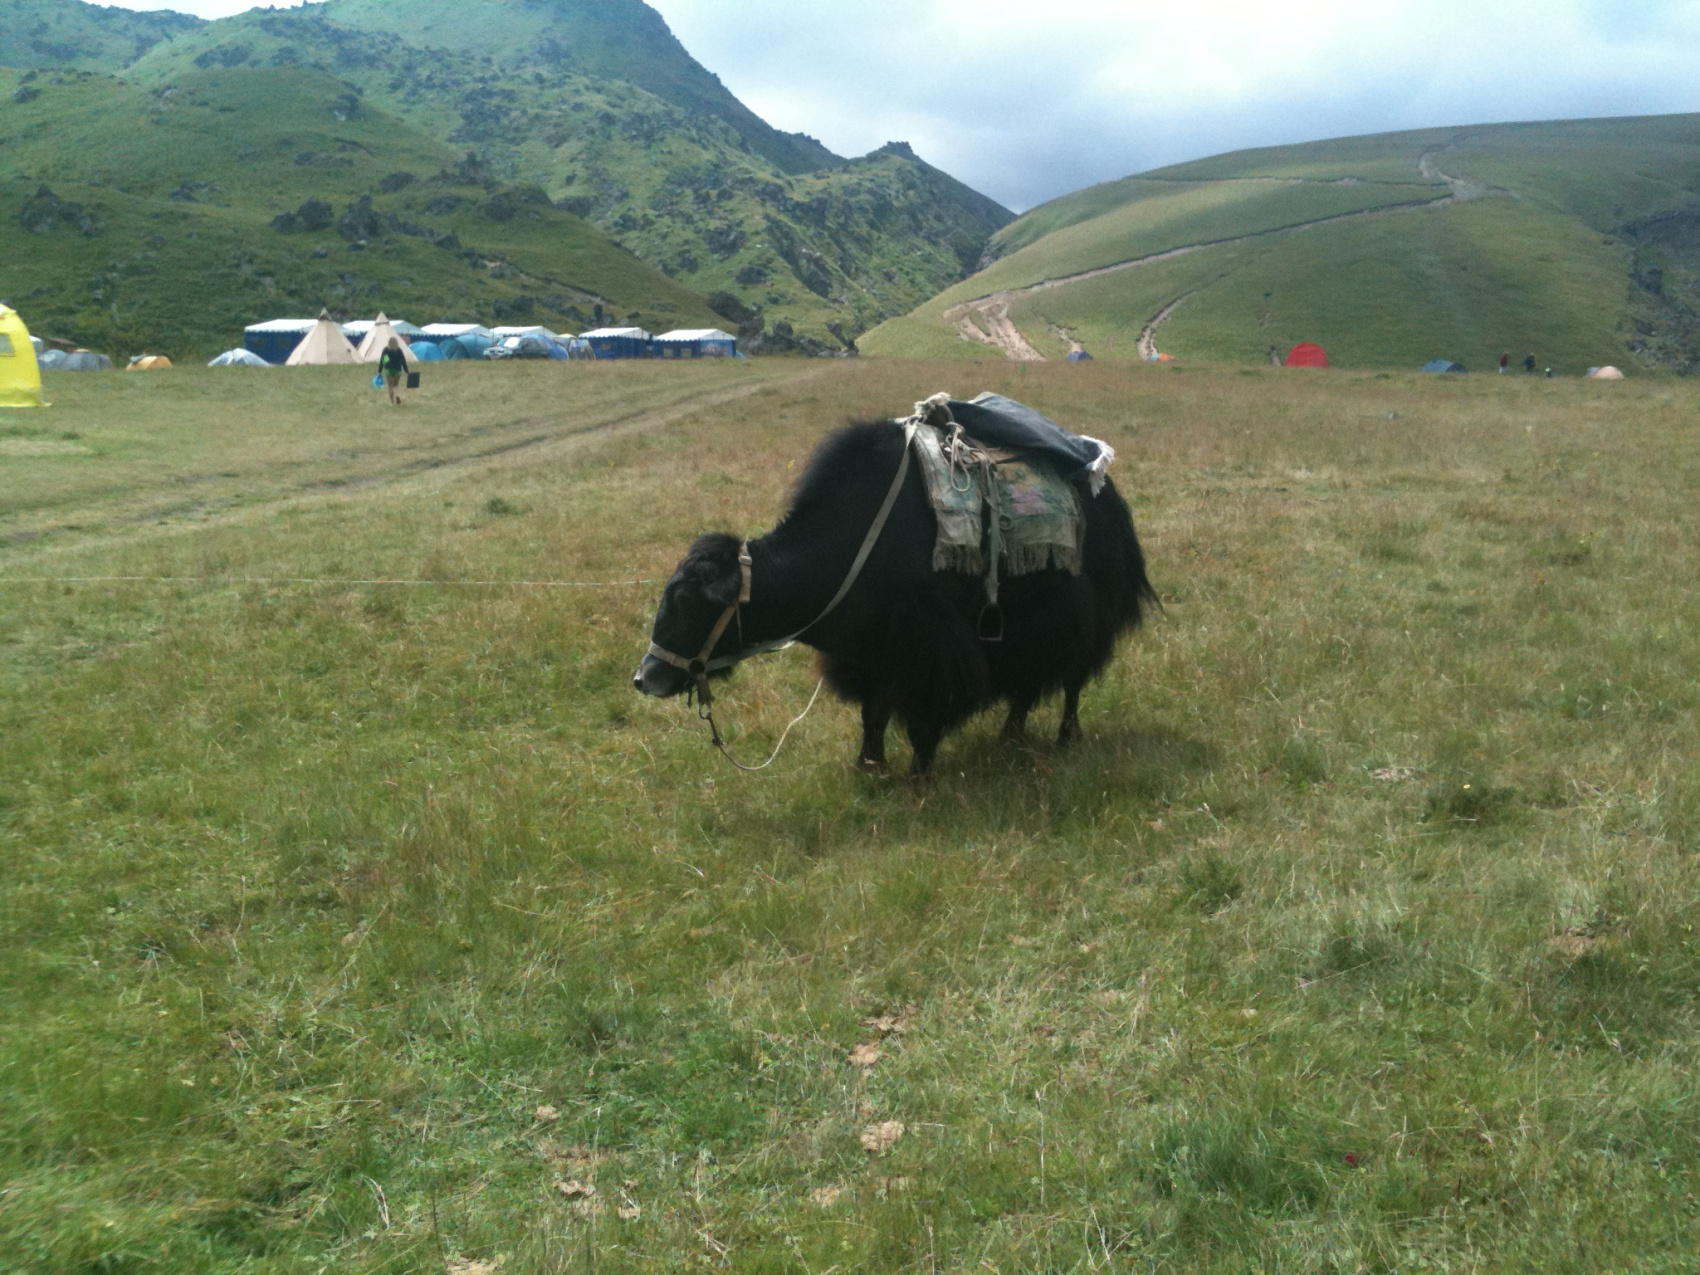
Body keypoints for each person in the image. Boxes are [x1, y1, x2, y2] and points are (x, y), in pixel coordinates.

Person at [378, 337, 408, 406]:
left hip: (389, 370)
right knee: (396, 385)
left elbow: (383, 360)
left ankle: (392, 402)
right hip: (397, 370)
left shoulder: (386, 350)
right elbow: (403, 360)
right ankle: (397, 396)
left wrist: (380, 370)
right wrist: (406, 370)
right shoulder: (399, 350)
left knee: (390, 386)